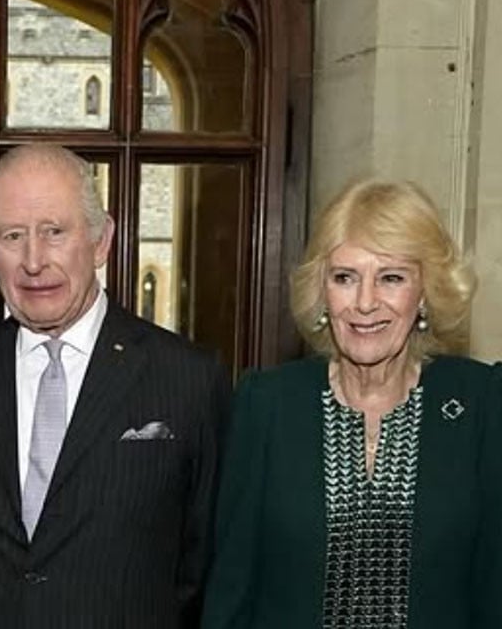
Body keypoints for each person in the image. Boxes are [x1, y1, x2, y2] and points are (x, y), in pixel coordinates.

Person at [0, 144, 229, 628]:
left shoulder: (188, 378)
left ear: (101, 241)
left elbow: (203, 565)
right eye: (12, 235)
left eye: (54, 232)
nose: (33, 260)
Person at [202, 179, 502, 628]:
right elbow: (231, 590)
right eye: (345, 277)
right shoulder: (267, 403)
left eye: (391, 278)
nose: (364, 303)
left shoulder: (481, 403)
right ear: (323, 290)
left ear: (425, 292)